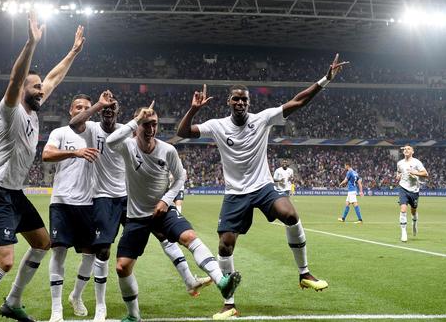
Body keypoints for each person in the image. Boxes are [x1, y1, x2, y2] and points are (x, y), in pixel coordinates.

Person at [176, 54, 348, 320]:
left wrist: (325, 79)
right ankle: (229, 303)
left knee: (290, 215)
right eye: (236, 98)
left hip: (263, 186)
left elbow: (298, 101)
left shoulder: (263, 119)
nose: (241, 102)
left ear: (249, 102)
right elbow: (183, 132)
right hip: (235, 193)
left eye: (244, 98)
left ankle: (304, 273)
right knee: (225, 245)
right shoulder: (217, 126)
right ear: (229, 102)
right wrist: (194, 110)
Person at [0, 13, 85, 322]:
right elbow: (17, 79)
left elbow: (53, 78)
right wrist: (31, 43)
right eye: (36, 86)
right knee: (3, 261)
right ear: (24, 90)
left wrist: (72, 52)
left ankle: (12, 301)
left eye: (41, 87)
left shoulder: (33, 113)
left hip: (15, 193)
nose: (42, 89)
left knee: (43, 242)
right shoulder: (10, 111)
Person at [68, 92, 212, 322]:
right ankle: (100, 305)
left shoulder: (128, 131)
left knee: (164, 235)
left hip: (129, 197)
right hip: (104, 196)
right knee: (104, 251)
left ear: (117, 113)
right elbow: (74, 123)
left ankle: (188, 279)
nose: (107, 111)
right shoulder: (94, 129)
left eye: (111, 109)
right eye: (104, 109)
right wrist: (98, 104)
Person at [107, 103, 241, 322]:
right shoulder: (128, 147)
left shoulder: (167, 150)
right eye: (145, 125)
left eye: (154, 124)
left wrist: (165, 200)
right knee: (122, 267)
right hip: (136, 216)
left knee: (189, 237)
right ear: (137, 126)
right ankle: (133, 316)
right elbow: (110, 141)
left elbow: (180, 178)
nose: (151, 129)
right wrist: (135, 120)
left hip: (163, 211)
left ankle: (222, 281)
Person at [42, 94, 101, 322]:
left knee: (91, 255)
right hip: (62, 202)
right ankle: (56, 309)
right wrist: (74, 152)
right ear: (70, 110)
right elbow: (47, 155)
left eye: (87, 108)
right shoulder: (60, 133)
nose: (83, 110)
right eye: (78, 107)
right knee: (59, 252)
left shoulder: (94, 131)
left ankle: (76, 296)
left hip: (88, 202)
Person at [396, 145, 429, 243]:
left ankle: (414, 223)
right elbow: (398, 172)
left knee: (413, 211)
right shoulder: (400, 163)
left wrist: (415, 173)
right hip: (403, 188)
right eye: (404, 149)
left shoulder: (416, 162)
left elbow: (425, 174)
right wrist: (398, 176)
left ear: (412, 151)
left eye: (408, 149)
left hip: (414, 190)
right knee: (403, 209)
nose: (406, 150)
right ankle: (403, 232)